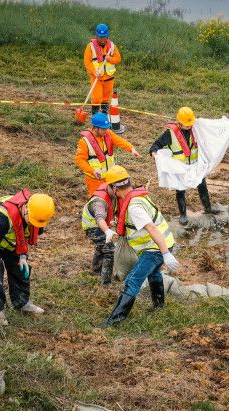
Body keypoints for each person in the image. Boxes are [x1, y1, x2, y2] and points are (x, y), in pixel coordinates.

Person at [95, 165, 179, 328]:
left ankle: (114, 321)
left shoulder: (134, 206)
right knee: (154, 274)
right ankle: (159, 306)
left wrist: (165, 253)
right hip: (163, 244)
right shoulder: (138, 197)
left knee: (133, 280)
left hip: (155, 249)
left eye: (109, 187)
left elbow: (151, 228)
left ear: (114, 188)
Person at [0, 189, 55, 325]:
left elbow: (25, 235)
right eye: (32, 221)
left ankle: (22, 302)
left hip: (9, 237)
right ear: (26, 209)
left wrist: (23, 256)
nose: (33, 225)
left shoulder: (38, 217)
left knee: (19, 266)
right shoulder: (3, 216)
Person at [148, 106, 219, 224]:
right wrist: (154, 153)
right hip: (180, 168)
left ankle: (208, 208)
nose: (189, 126)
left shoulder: (195, 128)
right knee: (180, 190)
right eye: (186, 124)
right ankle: (183, 215)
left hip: (195, 165)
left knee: (202, 186)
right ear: (179, 122)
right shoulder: (170, 133)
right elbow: (157, 144)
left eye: (190, 123)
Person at [74, 112, 140, 195]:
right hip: (95, 180)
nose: (106, 131)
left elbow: (119, 141)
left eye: (107, 128)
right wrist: (92, 171)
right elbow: (79, 160)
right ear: (95, 128)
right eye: (103, 129)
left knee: (112, 199)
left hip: (111, 177)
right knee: (98, 200)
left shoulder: (108, 134)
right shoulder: (84, 142)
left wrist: (131, 149)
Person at [81, 183, 116, 286]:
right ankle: (105, 284)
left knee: (101, 247)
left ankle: (96, 271)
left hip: (99, 225)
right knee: (109, 250)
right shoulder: (99, 202)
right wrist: (107, 231)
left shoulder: (111, 194)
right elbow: (99, 217)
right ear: (111, 187)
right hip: (93, 227)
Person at [83, 23, 122, 116]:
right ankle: (95, 117)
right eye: (100, 37)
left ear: (107, 35)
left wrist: (110, 59)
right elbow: (87, 62)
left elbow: (118, 59)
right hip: (97, 78)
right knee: (96, 98)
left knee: (105, 99)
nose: (102, 39)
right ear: (96, 36)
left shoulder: (112, 46)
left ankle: (104, 116)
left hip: (109, 78)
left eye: (104, 37)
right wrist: (94, 72)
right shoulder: (90, 46)